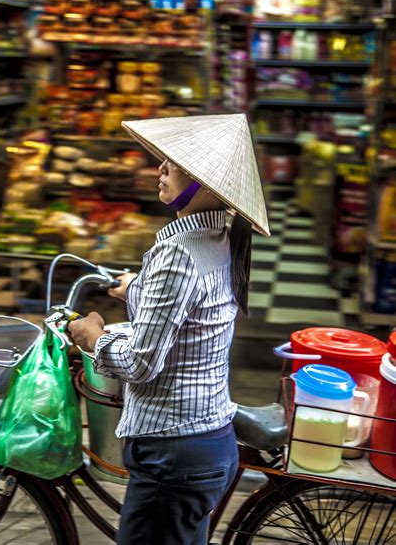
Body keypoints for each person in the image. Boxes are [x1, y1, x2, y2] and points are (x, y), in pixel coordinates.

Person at [69, 113, 269, 545]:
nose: (160, 168)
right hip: (200, 444)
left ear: (206, 184)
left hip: (173, 451)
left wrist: (93, 337)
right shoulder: (218, 238)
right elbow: (190, 311)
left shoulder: (178, 253)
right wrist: (136, 289)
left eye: (174, 164)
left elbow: (141, 363)